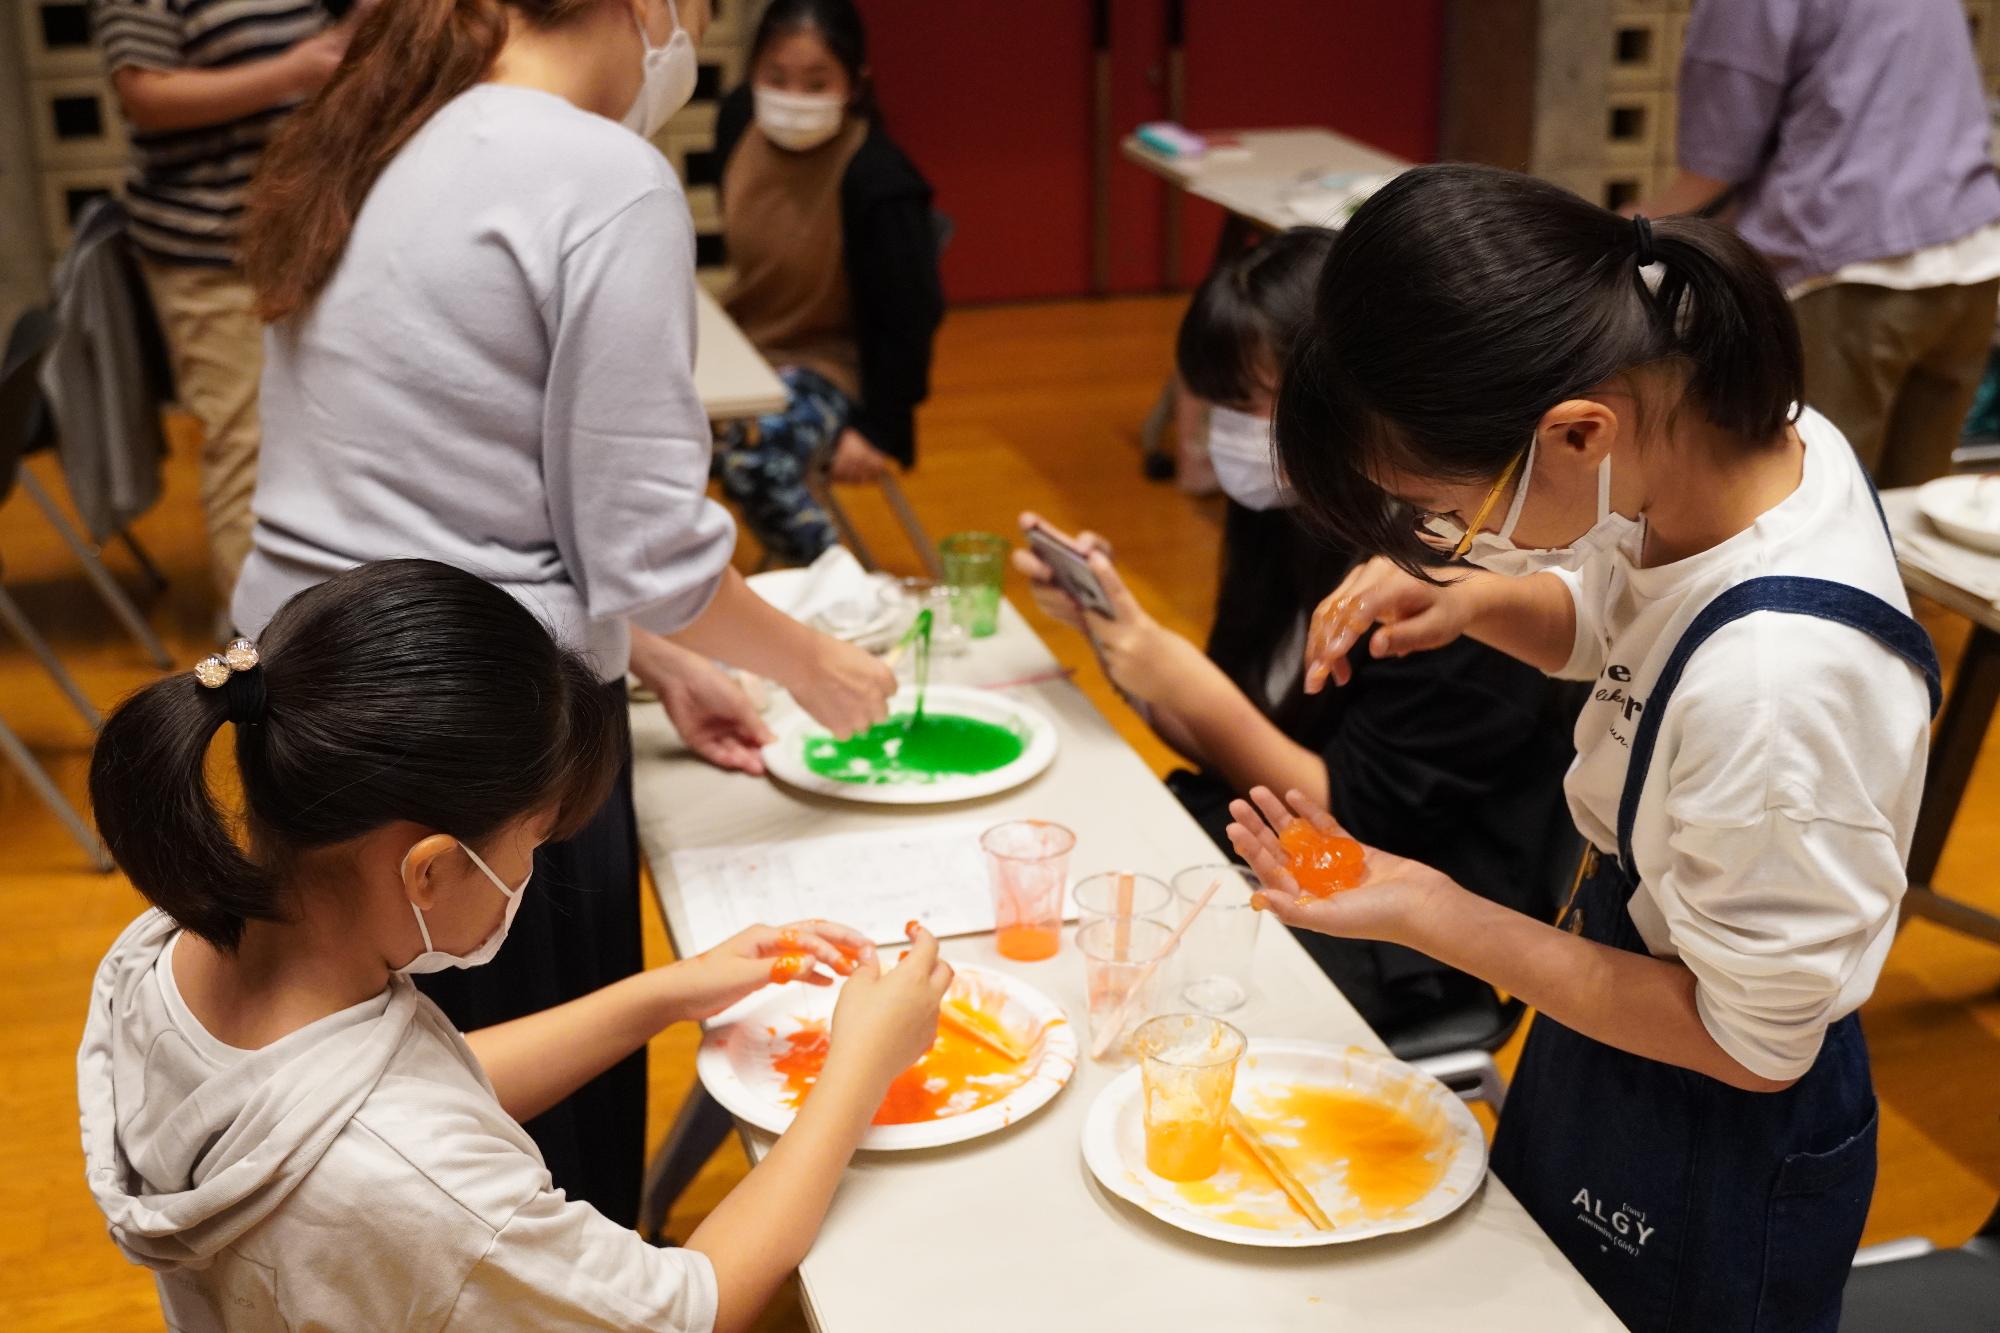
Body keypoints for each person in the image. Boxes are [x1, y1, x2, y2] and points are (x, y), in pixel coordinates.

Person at [1226, 163, 1939, 1331]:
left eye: (1442, 512)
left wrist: (1429, 910)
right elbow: (1637, 630)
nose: (1442, 542)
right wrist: (1481, 601)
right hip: (1611, 1002)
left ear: (1575, 430)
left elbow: (1749, 1044)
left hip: (1712, 1119)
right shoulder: (1732, 453)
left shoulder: (1777, 691)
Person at [233, 0, 897, 1227]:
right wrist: (817, 666)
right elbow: (646, 548)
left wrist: (647, 652)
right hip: (475, 738)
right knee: (532, 1178)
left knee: (385, 1135)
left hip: (310, 686)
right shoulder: (601, 175)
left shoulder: (379, 126)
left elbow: (431, 475)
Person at [79, 559, 951, 1333]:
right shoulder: (426, 1189)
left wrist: (667, 991)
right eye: (532, 842)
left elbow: (391, 1092)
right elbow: (697, 1302)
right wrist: (860, 1068)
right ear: (426, 873)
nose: (531, 870)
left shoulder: (168, 954)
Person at [1013, 227, 1579, 1039]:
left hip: (1402, 917)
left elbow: (1348, 819)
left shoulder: (1454, 573)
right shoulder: (1289, 516)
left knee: (1114, 995)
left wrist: (1190, 688)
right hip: (1279, 845)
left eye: (1254, 402)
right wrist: (1124, 644)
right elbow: (1232, 747)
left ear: (1349, 392)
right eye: (1221, 405)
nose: (1233, 434)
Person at [1631, 0, 2000, 488]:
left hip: (1847, 273)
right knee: (1903, 515)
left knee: (1812, 507)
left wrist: (1626, 232)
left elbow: (1717, 159)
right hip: (1972, 256)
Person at [90, 0, 362, 604]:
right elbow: (146, 97)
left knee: (324, 442)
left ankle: (323, 631)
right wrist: (291, 73)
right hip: (212, 253)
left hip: (308, 239)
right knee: (248, 447)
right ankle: (260, 663)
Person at [711, 0, 944, 564]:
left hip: (830, 366)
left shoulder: (879, 180)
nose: (793, 98)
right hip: (746, 347)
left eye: (817, 83)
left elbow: (909, 315)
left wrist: (879, 427)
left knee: (753, 460)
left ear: (855, 83)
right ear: (753, 73)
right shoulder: (739, 120)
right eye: (776, 78)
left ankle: (842, 599)